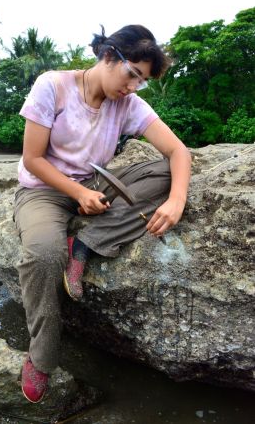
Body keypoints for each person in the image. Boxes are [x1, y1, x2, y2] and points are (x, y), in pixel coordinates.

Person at [14, 24, 191, 403]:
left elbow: (178, 153)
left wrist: (177, 200)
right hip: (43, 190)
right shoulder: (54, 86)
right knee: (44, 255)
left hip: (96, 187)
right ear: (109, 56)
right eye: (132, 75)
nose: (132, 87)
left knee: (163, 174)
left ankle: (86, 242)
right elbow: (32, 158)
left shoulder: (127, 103)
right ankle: (41, 357)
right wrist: (77, 192)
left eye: (140, 82)